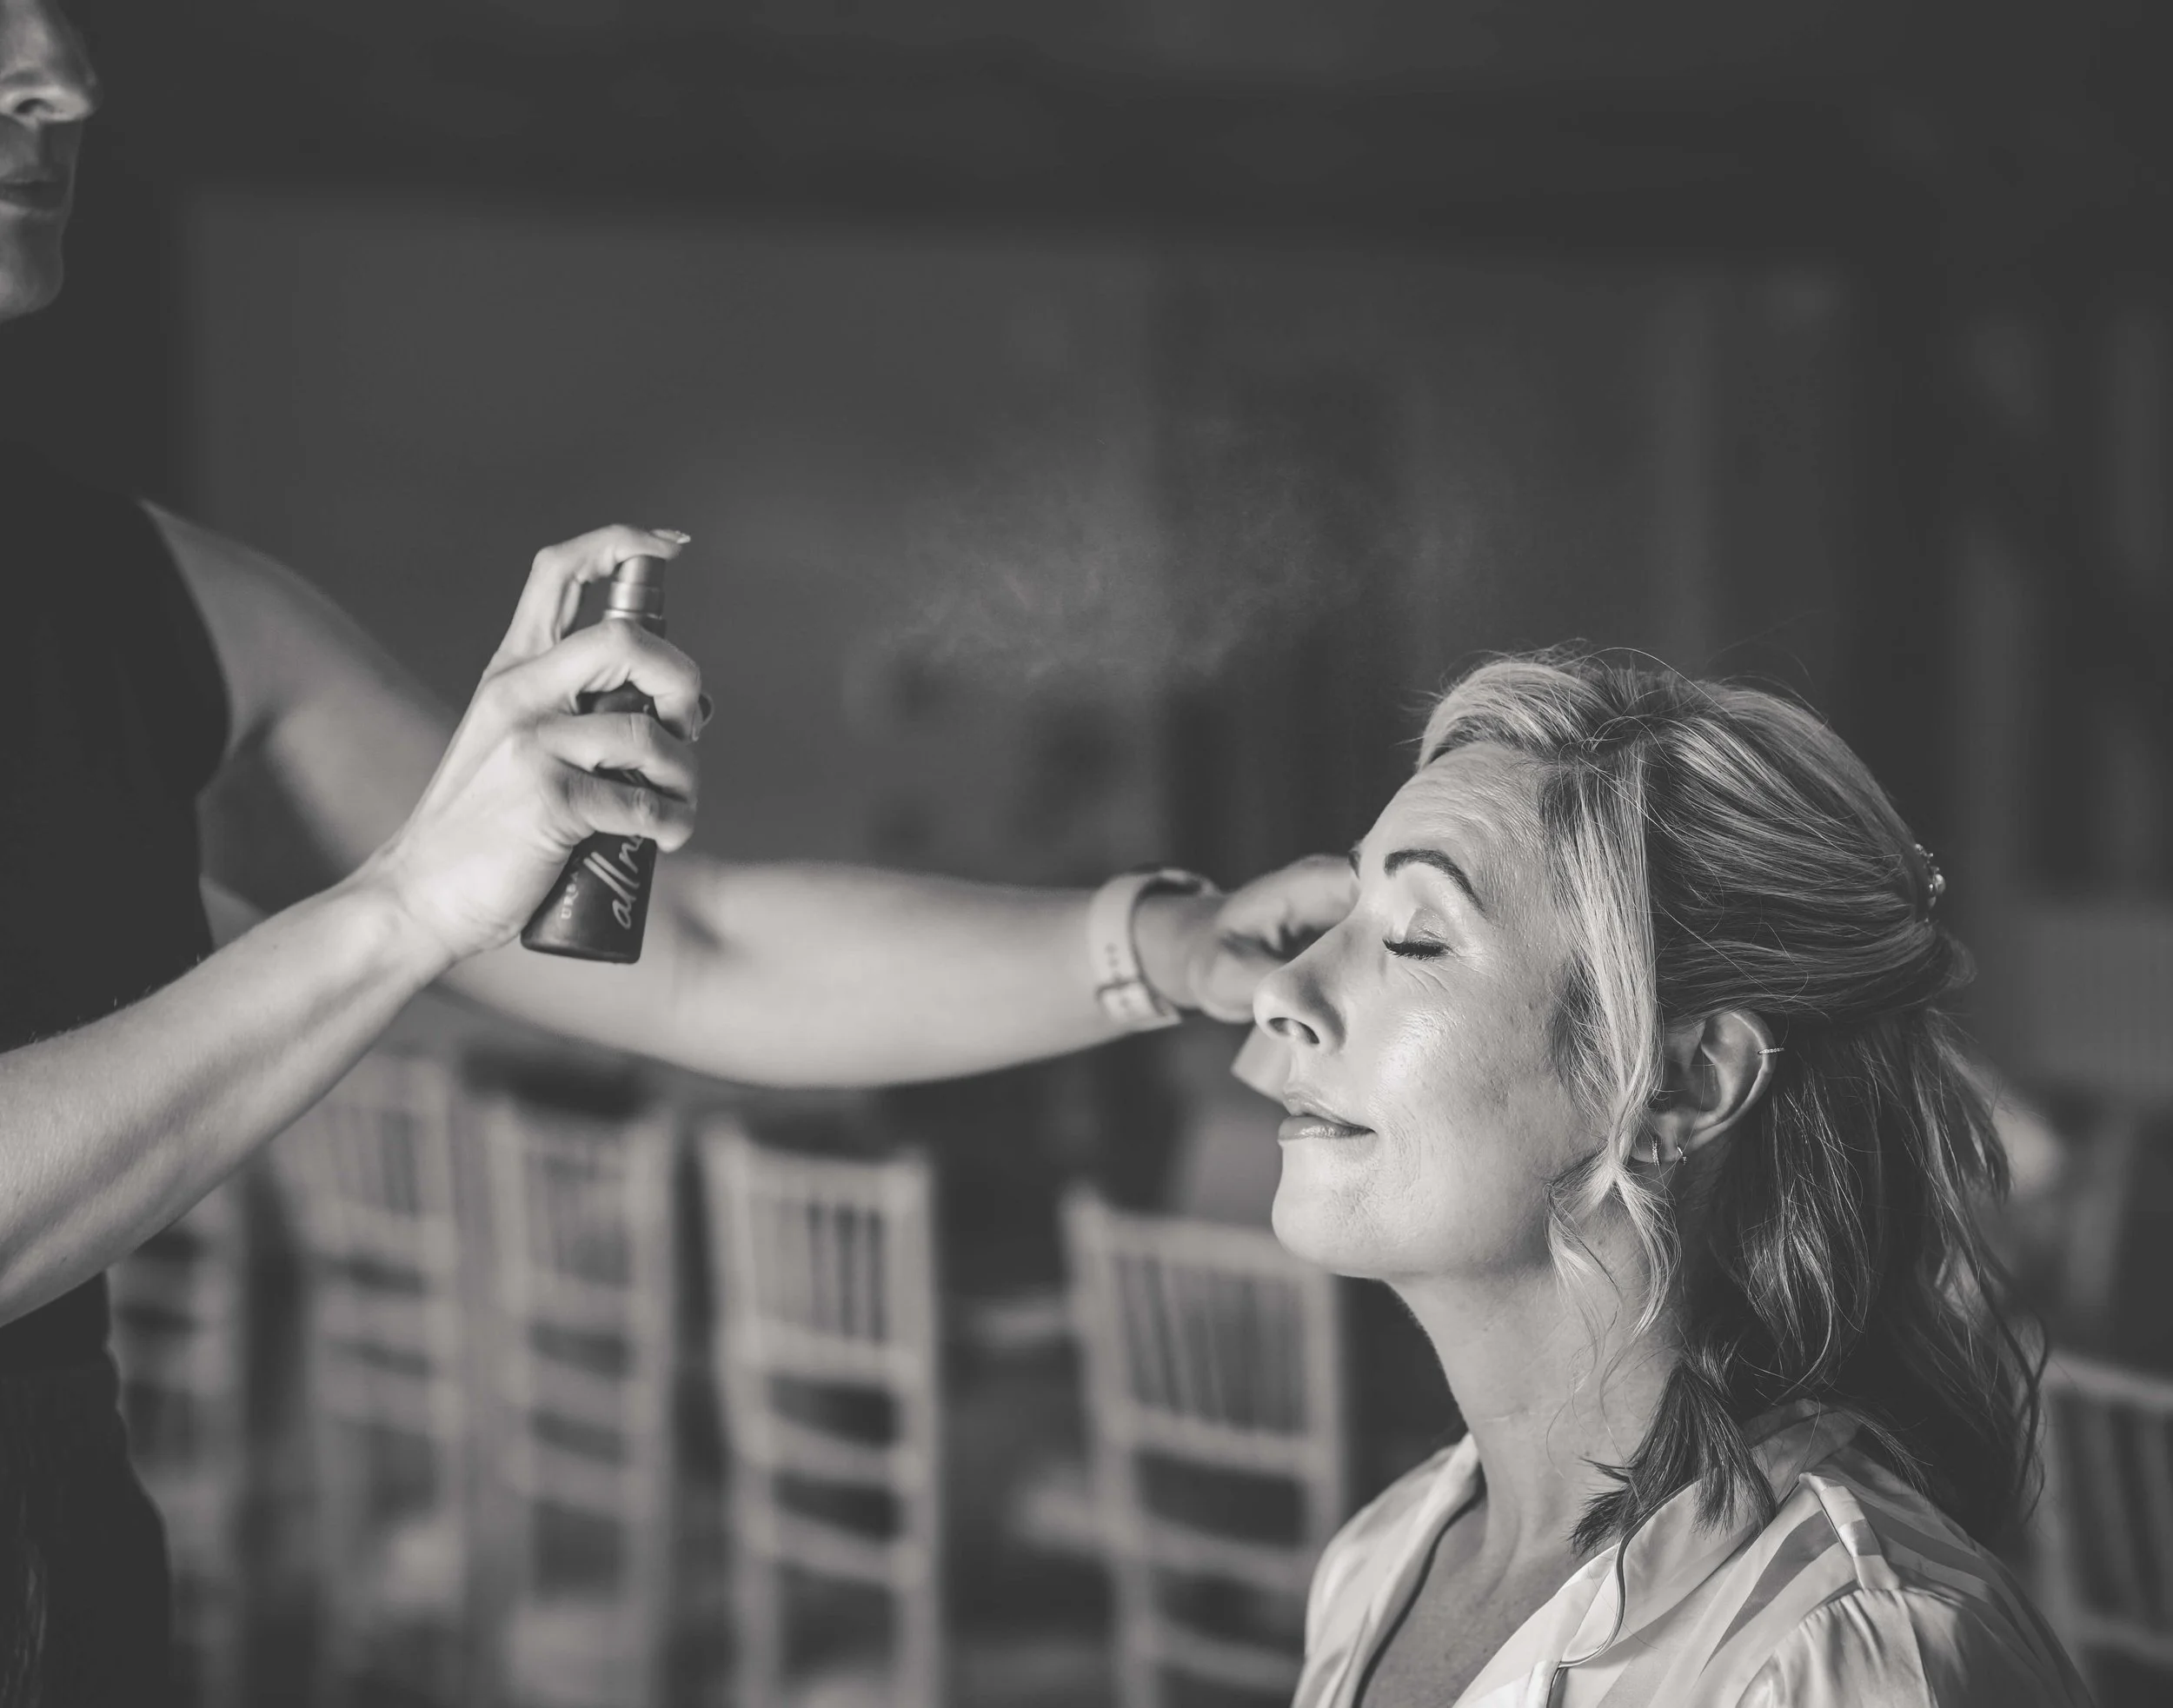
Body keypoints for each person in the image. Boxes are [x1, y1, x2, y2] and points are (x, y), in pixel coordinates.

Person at [0, 3, 1349, 1698]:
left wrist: (1157, 943)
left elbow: (685, 953)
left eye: (61, 21)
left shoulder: (151, 605)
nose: (64, 77)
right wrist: (406, 905)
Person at [1259, 654, 2084, 1706]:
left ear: (1682, 1081)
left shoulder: (1851, 1660)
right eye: (1343, 913)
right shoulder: (1376, 1561)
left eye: (1417, 938)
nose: (1279, 993)